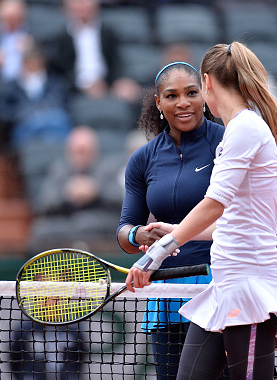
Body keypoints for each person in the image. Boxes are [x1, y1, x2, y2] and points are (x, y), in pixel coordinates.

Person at [125, 42, 277, 380]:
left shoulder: (244, 127)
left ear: (207, 83)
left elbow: (214, 203)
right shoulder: (239, 130)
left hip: (249, 288)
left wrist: (155, 254)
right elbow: (229, 221)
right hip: (225, 286)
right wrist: (174, 229)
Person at [116, 61, 225, 379]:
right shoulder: (142, 159)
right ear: (158, 103)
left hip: (218, 286)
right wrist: (140, 234)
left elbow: (242, 220)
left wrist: (178, 232)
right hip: (166, 293)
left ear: (204, 95)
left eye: (191, 93)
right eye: (172, 95)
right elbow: (124, 229)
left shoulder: (226, 145)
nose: (183, 103)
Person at [44, 0, 140, 103]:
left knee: (130, 93)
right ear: (68, 9)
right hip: (71, 89)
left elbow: (116, 62)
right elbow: (58, 69)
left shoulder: (107, 33)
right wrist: (83, 85)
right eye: (78, 6)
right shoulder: (60, 37)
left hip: (107, 85)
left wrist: (117, 82)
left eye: (86, 5)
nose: (82, 9)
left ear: (96, 7)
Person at [0, 45, 72, 151]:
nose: (33, 64)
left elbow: (64, 104)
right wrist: (23, 114)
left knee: (58, 121)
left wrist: (43, 113)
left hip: (53, 125)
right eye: (29, 61)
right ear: (23, 63)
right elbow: (2, 112)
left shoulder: (56, 84)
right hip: (25, 127)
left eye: (36, 61)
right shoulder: (11, 87)